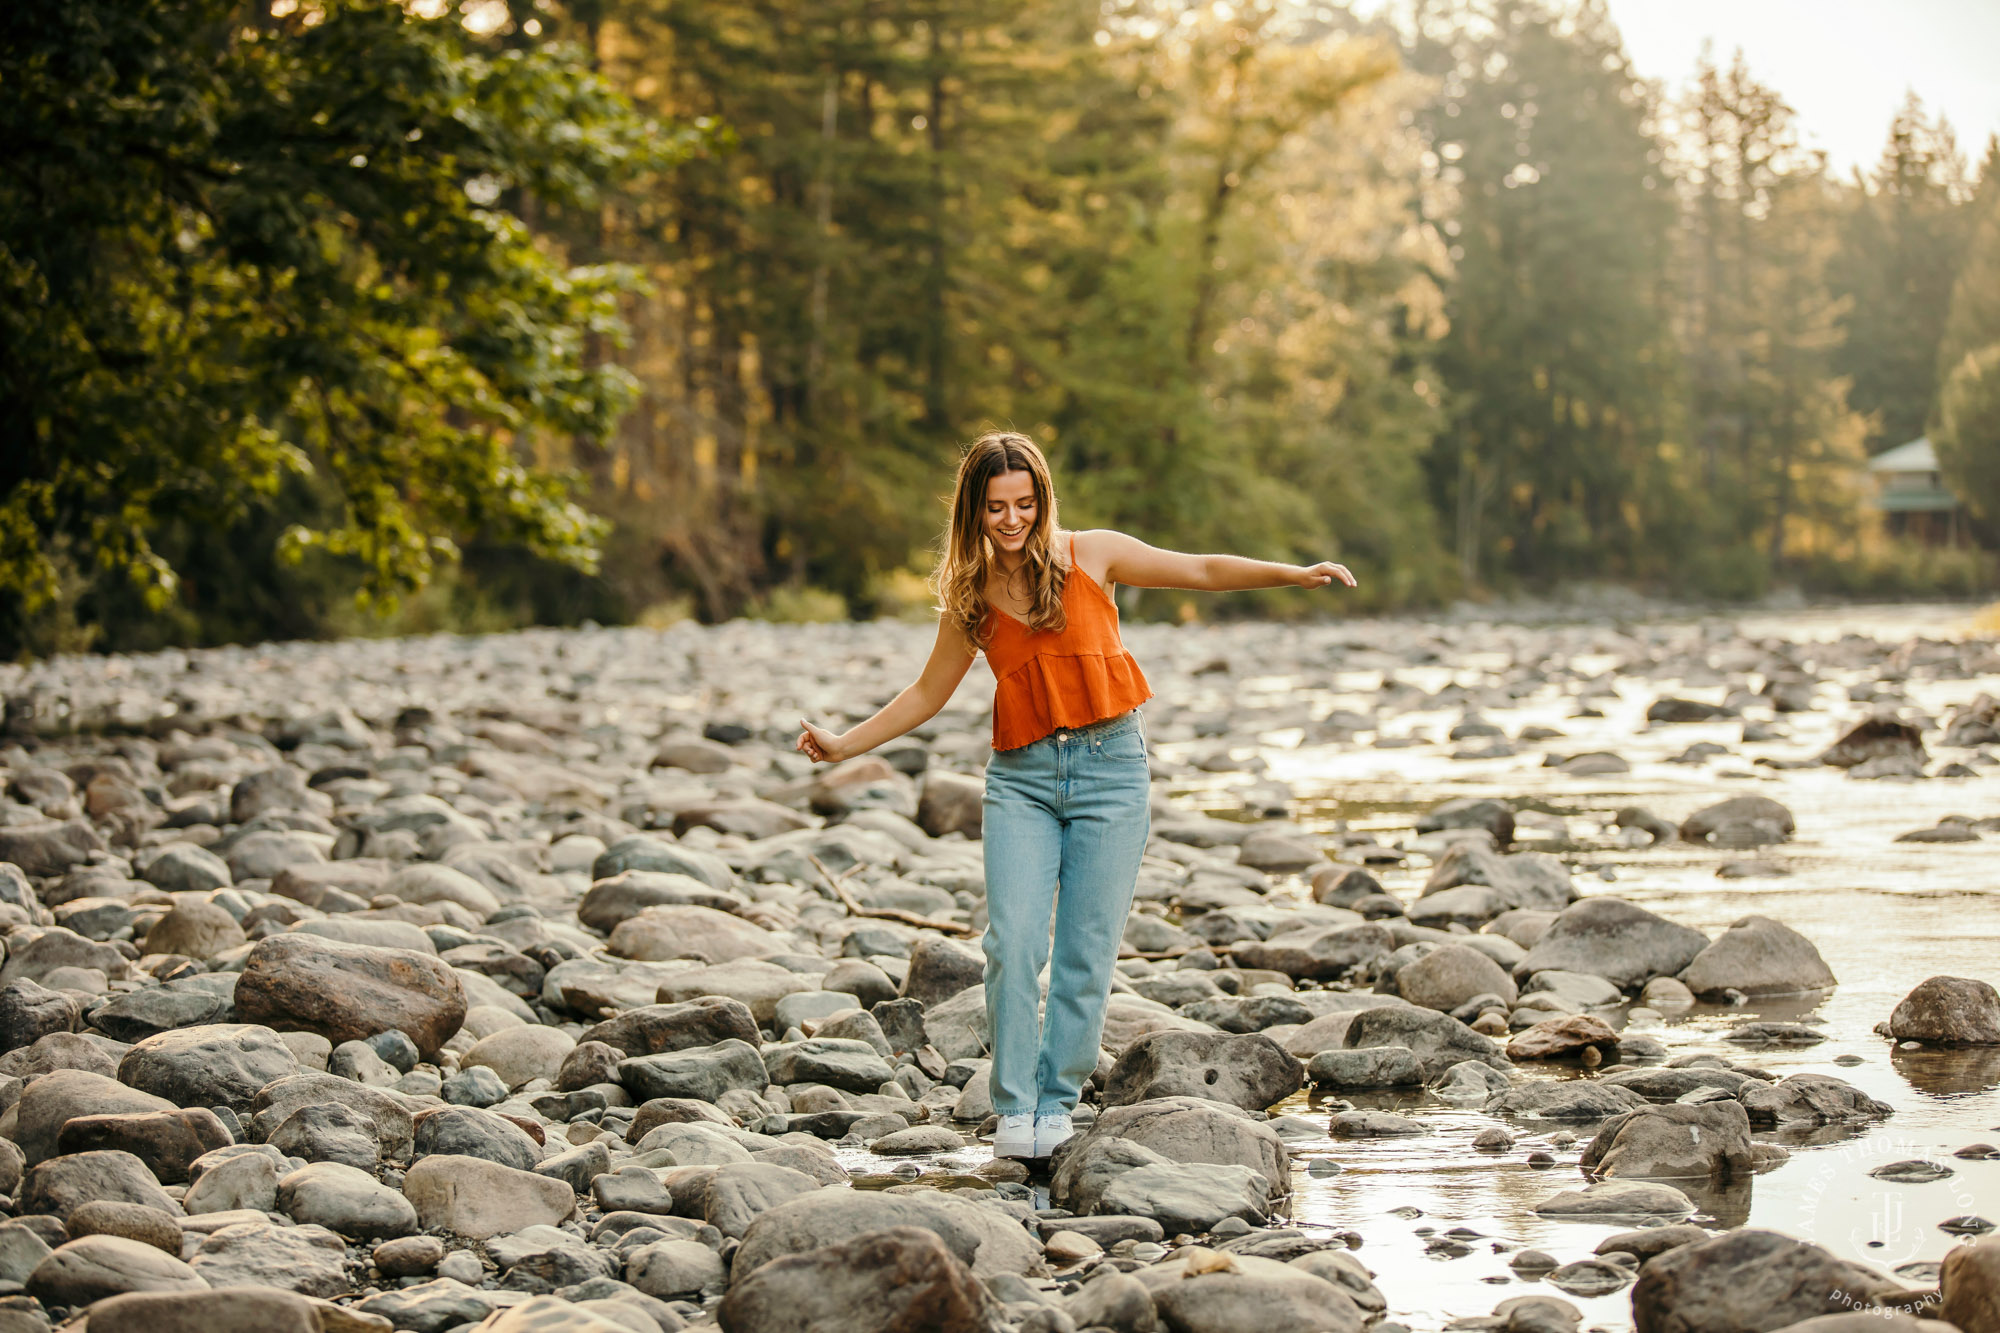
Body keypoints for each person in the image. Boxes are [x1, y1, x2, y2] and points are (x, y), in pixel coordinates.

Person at [795, 431, 1354, 1160]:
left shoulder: (1092, 554)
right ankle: (1014, 1106)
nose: (1012, 518)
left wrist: (1292, 574)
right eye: (996, 506)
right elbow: (928, 692)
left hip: (1112, 771)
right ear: (974, 508)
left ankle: (1057, 1100)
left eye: (1025, 503)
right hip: (1021, 780)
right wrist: (845, 743)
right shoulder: (970, 595)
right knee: (1014, 943)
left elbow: (1200, 568)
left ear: (1042, 498)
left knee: (1087, 953)